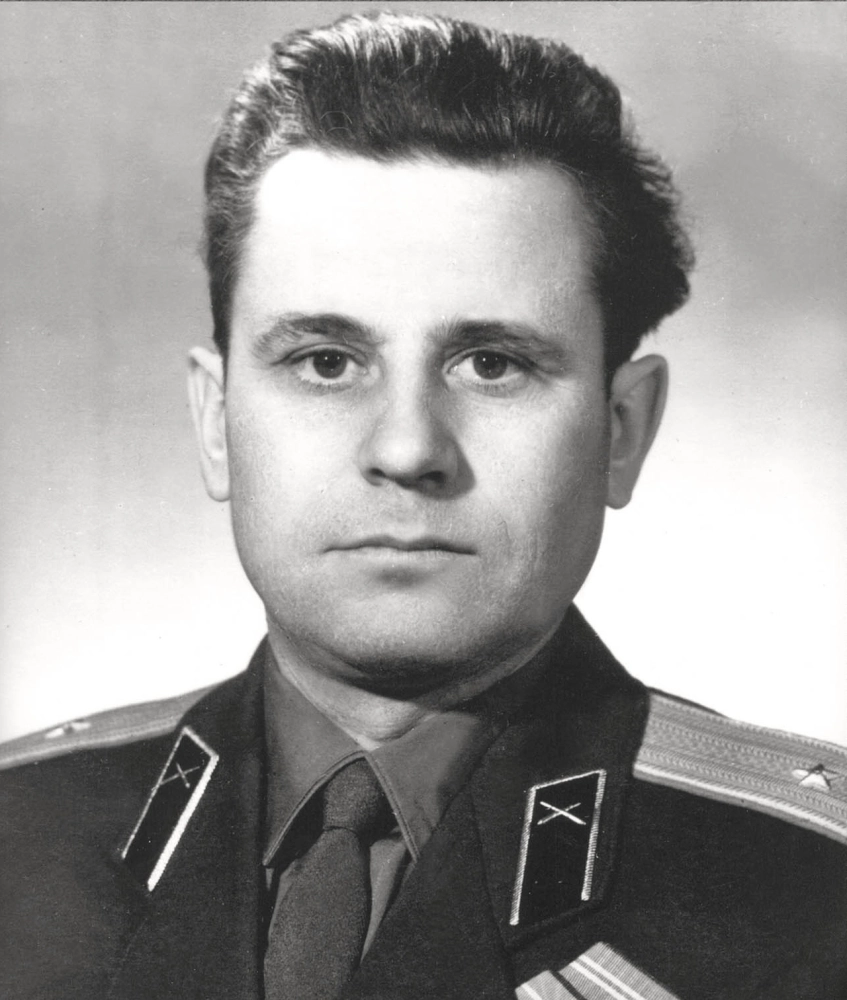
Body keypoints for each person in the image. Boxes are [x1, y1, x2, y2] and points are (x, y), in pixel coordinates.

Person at [1, 11, 845, 1000]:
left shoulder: (813, 893)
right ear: (216, 420)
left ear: (620, 430)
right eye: (325, 362)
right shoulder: (21, 835)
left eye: (492, 364)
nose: (406, 450)